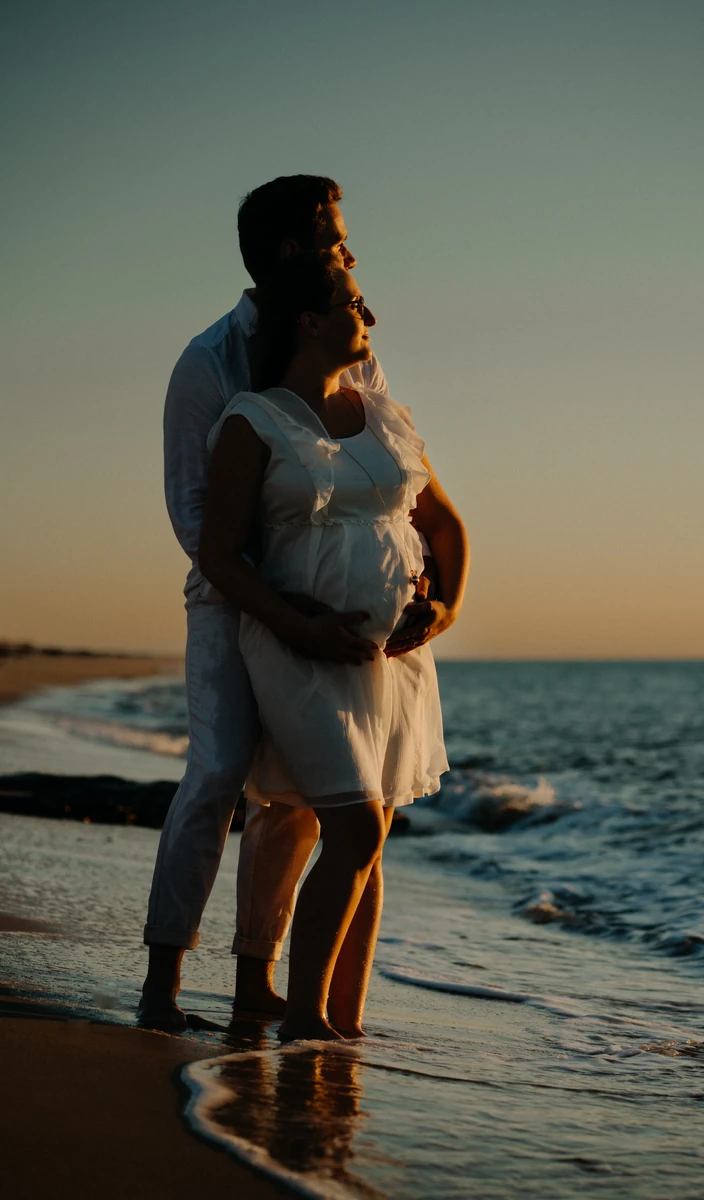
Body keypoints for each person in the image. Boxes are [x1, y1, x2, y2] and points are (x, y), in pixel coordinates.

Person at [140, 176, 401, 1030]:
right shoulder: (206, 362)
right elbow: (193, 518)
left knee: (293, 794)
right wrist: (277, 603)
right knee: (217, 771)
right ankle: (163, 981)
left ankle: (255, 987)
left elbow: (383, 456)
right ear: (295, 250)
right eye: (338, 237)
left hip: (322, 600)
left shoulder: (350, 342)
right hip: (229, 594)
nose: (351, 253)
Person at [198, 253, 469, 1039]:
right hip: (296, 647)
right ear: (310, 321)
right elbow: (218, 554)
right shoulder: (254, 420)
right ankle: (305, 1018)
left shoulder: (384, 415)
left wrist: (444, 607)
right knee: (353, 830)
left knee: (370, 838)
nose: (371, 319)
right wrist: (296, 624)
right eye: (357, 304)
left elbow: (444, 526)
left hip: (392, 659)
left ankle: (343, 1022)